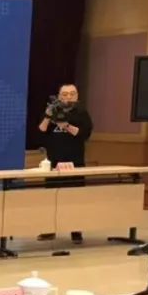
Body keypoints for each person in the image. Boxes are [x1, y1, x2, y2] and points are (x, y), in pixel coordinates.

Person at [37, 83, 93, 244]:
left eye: (72, 94)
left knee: (75, 197)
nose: (68, 97)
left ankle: (76, 231)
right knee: (51, 197)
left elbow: (84, 134)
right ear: (59, 96)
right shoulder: (52, 110)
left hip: (74, 161)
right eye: (65, 94)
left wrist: (66, 126)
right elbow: (41, 130)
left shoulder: (81, 113)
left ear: (77, 96)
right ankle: (49, 229)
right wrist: (48, 116)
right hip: (54, 161)